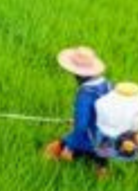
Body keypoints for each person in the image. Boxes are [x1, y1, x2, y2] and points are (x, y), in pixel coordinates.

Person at [45, 46, 112, 178]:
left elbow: (81, 126)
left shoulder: (85, 94)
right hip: (107, 136)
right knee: (101, 154)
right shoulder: (108, 84)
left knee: (54, 148)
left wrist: (70, 146)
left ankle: (63, 161)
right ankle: (102, 169)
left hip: (90, 137)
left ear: (77, 74)